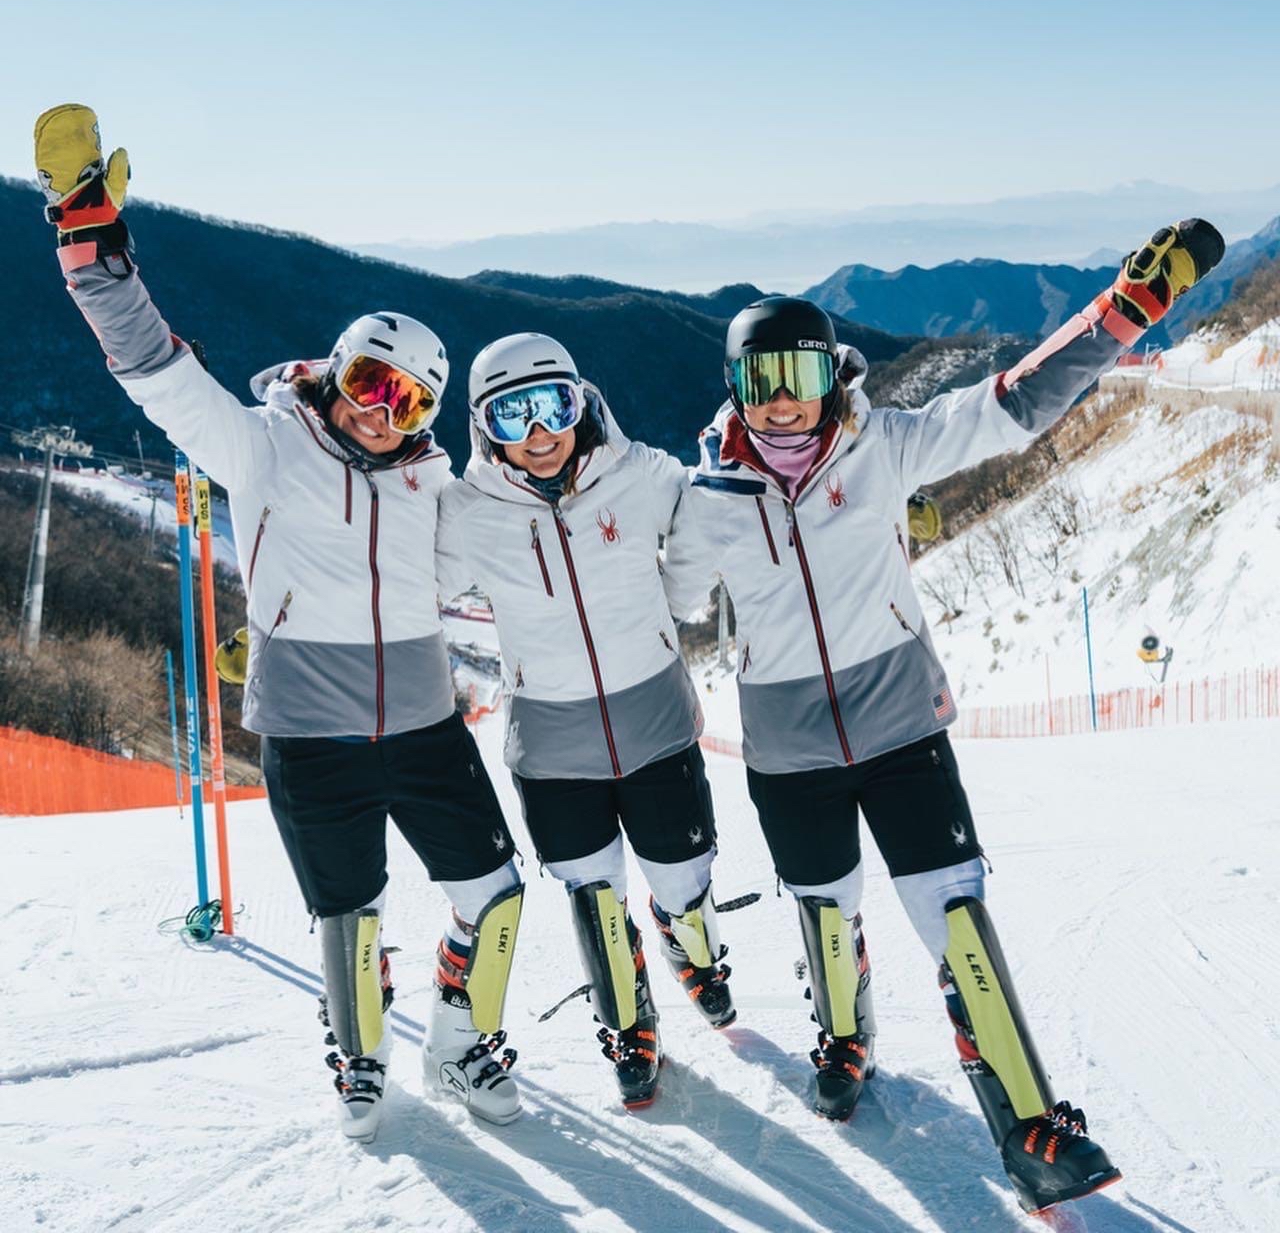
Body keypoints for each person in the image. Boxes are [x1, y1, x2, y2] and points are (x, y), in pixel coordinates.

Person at [663, 220, 1223, 1215]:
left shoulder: (882, 447)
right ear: (734, 388)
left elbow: (1009, 406)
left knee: (955, 914)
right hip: (786, 748)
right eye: (759, 378)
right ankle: (842, 1037)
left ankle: (1028, 1119)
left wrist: (1121, 310)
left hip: (899, 726)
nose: (781, 396)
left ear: (829, 371)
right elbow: (659, 594)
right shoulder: (709, 495)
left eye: (795, 369)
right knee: (825, 909)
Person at [34, 105, 527, 1142]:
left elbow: (534, 543)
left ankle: (454, 1033)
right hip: (313, 735)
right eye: (367, 382)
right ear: (334, 371)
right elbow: (155, 371)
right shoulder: (263, 446)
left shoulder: (433, 485)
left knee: (495, 894)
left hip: (429, 728)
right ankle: (357, 1049)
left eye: (407, 400)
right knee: (347, 920)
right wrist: (92, 251)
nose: (380, 410)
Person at [436, 333, 738, 1108]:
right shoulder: (469, 514)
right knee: (593, 895)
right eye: (513, 415)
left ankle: (688, 946)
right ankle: (628, 1023)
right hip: (552, 740)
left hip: (656, 723)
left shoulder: (638, 475)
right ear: (482, 427)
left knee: (682, 880)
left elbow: (715, 506)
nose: (539, 434)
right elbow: (393, 572)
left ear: (582, 400)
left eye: (553, 406)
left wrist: (681, 602)